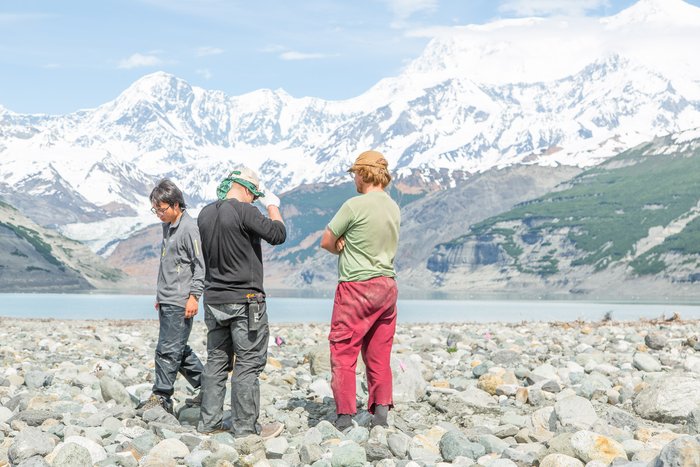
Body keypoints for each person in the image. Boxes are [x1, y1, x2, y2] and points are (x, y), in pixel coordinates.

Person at [197, 166, 286, 438]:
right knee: (248, 363)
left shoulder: (204, 214)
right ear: (247, 189)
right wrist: (272, 206)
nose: (255, 199)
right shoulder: (245, 210)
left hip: (214, 299)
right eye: (255, 194)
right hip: (246, 301)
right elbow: (277, 235)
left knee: (216, 361)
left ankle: (209, 423)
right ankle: (246, 428)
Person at [320, 150, 401, 431]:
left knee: (343, 350)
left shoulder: (354, 205)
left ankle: (344, 416)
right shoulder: (393, 207)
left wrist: (339, 243)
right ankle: (380, 413)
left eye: (355, 173)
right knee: (379, 352)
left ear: (364, 174)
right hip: (387, 286)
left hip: (356, 286)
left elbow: (326, 241)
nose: (353, 178)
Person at [141, 179, 205, 414]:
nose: (158, 213)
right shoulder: (167, 226)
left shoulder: (190, 228)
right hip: (167, 298)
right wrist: (160, 295)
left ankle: (162, 396)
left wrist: (194, 296)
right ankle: (208, 388)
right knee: (178, 348)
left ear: (176, 204)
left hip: (181, 300)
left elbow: (200, 265)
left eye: (161, 208)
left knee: (167, 349)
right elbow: (167, 265)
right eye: (155, 209)